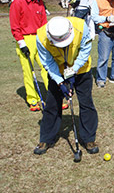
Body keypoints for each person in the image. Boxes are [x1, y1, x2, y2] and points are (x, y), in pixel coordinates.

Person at [34, 16, 99, 155]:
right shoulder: (41, 36)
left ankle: (89, 138)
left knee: (86, 102)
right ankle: (46, 138)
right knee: (52, 104)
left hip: (81, 69)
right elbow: (47, 62)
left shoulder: (81, 27)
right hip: (57, 70)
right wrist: (60, 82)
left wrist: (74, 70)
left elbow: (85, 50)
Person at [9, 0, 49, 112]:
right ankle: (33, 99)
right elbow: (15, 27)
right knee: (29, 71)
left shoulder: (40, 3)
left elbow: (44, 23)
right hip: (26, 39)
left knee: (47, 68)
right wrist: (22, 43)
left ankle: (53, 97)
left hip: (40, 38)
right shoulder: (17, 3)